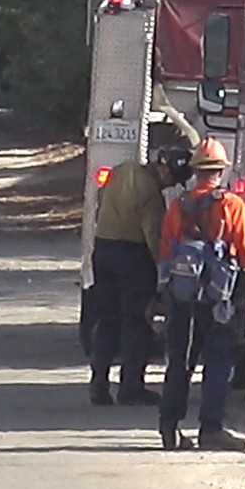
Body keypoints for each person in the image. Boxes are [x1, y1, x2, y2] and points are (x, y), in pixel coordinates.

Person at [157, 137, 245, 451]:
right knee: (218, 364)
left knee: (180, 363)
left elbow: (167, 250)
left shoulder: (177, 205)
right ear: (221, 171)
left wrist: (165, 291)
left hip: (183, 299)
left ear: (196, 171)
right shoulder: (231, 205)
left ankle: (169, 429)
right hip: (218, 300)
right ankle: (210, 430)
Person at [88, 146, 192, 406]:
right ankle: (130, 387)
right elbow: (154, 236)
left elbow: (100, 197)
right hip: (133, 257)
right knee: (136, 322)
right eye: (173, 179)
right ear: (165, 168)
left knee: (107, 319)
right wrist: (166, 272)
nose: (170, 185)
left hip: (103, 249)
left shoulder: (122, 170)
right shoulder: (150, 192)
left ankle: (98, 383)